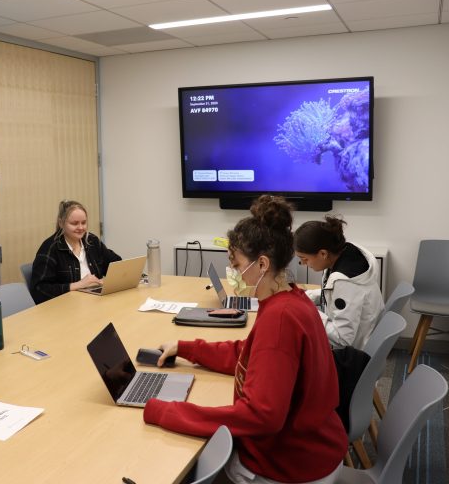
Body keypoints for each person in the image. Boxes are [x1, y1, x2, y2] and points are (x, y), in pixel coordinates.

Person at [143, 196, 347, 484]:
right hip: (315, 448)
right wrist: (188, 348)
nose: (234, 275)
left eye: (236, 265)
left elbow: (261, 416)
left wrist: (167, 411)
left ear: (262, 263)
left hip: (291, 465)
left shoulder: (280, 319)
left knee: (184, 463)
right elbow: (251, 354)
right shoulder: (290, 298)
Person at [294, 215, 384, 350]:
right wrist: (304, 296)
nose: (303, 263)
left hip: (352, 356)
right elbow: (333, 293)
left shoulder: (345, 282)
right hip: (361, 342)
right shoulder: (346, 255)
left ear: (323, 254)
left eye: (304, 259)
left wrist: (309, 313)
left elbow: (342, 339)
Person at [30, 200, 121, 304]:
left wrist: (108, 280)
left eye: (84, 222)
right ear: (61, 223)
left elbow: (117, 264)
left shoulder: (92, 241)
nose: (81, 228)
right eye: (74, 223)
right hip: (66, 307)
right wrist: (78, 285)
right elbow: (39, 291)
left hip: (96, 302)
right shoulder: (50, 248)